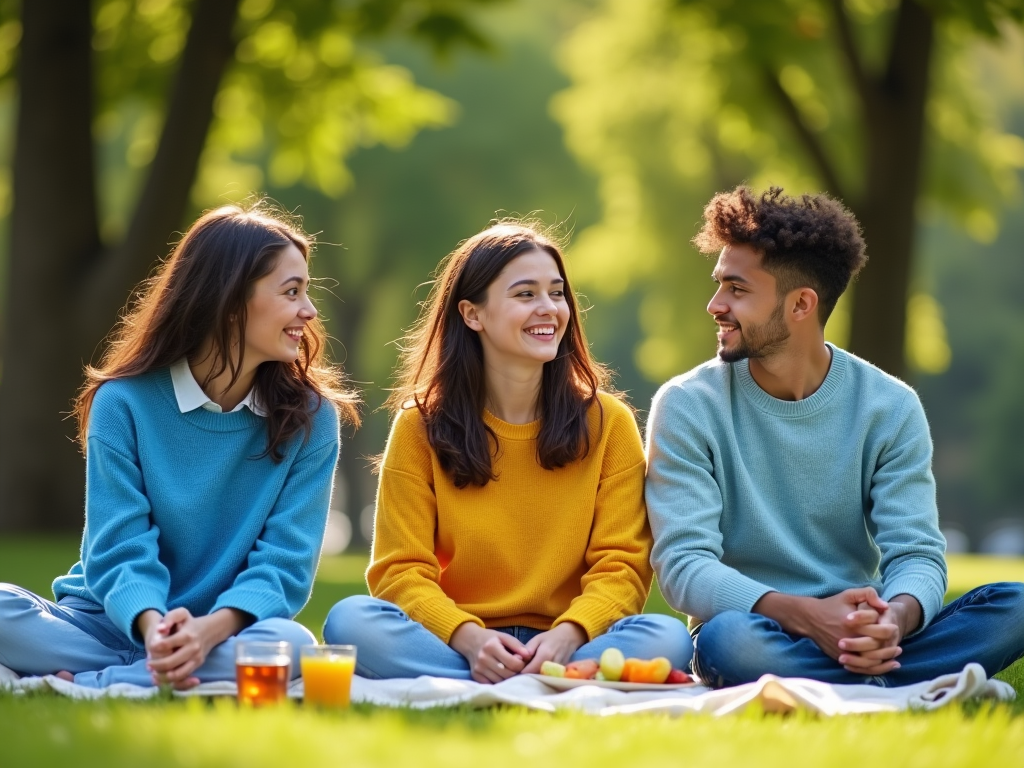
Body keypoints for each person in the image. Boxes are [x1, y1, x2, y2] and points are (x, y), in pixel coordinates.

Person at [645, 186, 1024, 689]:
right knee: (727, 642)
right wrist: (806, 617)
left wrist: (893, 620)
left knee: (1015, 605)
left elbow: (915, 553)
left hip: (860, 626)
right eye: (719, 285)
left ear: (802, 303)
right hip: (762, 627)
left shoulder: (889, 406)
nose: (714, 304)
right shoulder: (688, 405)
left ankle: (849, 676)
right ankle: (890, 684)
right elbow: (684, 566)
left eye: (736, 289)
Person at [0, 203, 358, 689]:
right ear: (230, 301)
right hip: (104, 624)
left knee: (291, 644)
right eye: (291, 292)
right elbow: (119, 547)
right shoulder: (122, 402)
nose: (309, 312)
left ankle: (98, 683)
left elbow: (284, 564)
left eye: (306, 292)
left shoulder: (313, 420)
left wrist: (207, 631)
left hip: (218, 633)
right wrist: (154, 630)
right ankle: (146, 674)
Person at [324, 222, 690, 682]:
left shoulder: (609, 423)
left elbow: (622, 567)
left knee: (666, 638)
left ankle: (518, 674)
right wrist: (469, 638)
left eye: (556, 294)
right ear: (472, 314)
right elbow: (401, 571)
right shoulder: (420, 425)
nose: (549, 309)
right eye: (525, 294)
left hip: (569, 638)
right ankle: (540, 678)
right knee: (350, 621)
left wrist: (570, 633)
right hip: (459, 640)